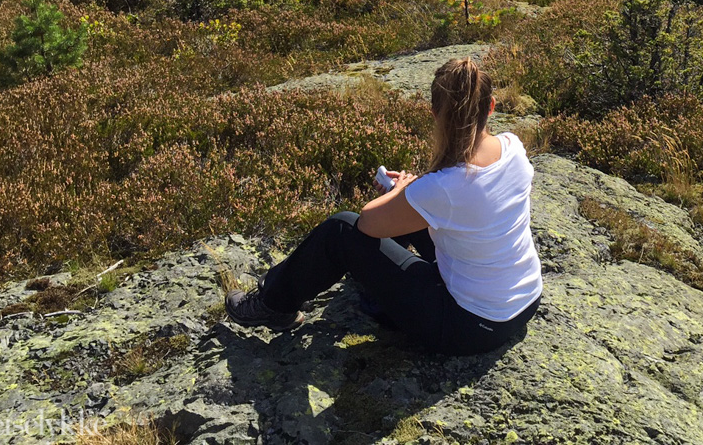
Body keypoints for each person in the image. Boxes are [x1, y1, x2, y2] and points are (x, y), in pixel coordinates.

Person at [225, 57, 543, 356]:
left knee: (340, 229)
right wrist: (412, 191)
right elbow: (466, 201)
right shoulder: (513, 147)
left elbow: (366, 224)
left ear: (435, 113)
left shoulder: (442, 189)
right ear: (491, 106)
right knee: (413, 218)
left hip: (467, 328)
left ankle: (271, 304)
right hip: (525, 302)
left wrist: (402, 191)